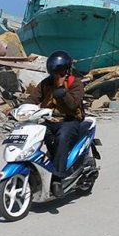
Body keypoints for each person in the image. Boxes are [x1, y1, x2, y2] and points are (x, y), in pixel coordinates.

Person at [25, 50, 85, 197]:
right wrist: (19, 109)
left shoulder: (75, 83)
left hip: (69, 121)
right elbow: (32, 99)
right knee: (33, 133)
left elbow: (72, 106)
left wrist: (61, 90)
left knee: (62, 137)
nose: (56, 77)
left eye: (58, 73)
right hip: (49, 120)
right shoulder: (45, 83)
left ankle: (57, 178)